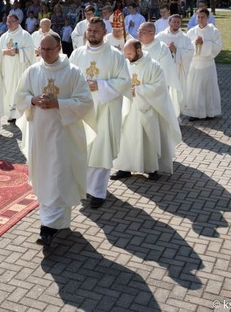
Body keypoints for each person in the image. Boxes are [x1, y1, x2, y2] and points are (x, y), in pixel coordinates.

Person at [15, 32, 93, 246]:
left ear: (59, 48)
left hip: (63, 135)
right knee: (45, 177)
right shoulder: (32, 71)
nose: (45, 53)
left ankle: (47, 228)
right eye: (42, 49)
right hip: (40, 135)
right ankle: (58, 222)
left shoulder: (73, 72)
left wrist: (59, 103)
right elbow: (20, 96)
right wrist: (32, 100)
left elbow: (85, 102)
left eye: (49, 49)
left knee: (59, 176)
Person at [70, 18, 130, 209]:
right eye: (90, 30)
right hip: (82, 110)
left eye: (96, 30)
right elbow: (68, 77)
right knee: (82, 149)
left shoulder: (115, 55)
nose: (92, 33)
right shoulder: (77, 54)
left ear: (105, 32)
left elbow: (124, 81)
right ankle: (83, 186)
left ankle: (98, 191)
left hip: (105, 111)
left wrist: (101, 85)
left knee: (100, 150)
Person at [111, 40, 182, 180]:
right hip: (128, 109)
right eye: (125, 54)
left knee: (149, 138)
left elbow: (160, 87)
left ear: (138, 50)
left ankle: (151, 168)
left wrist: (138, 90)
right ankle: (125, 168)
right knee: (127, 138)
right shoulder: (125, 64)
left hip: (147, 109)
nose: (127, 57)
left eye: (130, 53)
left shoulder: (153, 66)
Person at [184, 9, 222, 120]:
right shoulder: (192, 32)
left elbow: (217, 47)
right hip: (195, 63)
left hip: (208, 63)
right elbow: (187, 47)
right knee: (194, 88)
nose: (200, 19)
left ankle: (210, 111)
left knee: (208, 87)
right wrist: (195, 43)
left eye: (203, 17)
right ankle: (194, 112)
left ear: (207, 17)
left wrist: (204, 44)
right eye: (198, 17)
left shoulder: (214, 31)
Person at [138, 22, 183, 117]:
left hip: (156, 91)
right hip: (139, 90)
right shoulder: (138, 47)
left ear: (152, 33)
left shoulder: (162, 48)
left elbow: (165, 72)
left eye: (142, 31)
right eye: (139, 31)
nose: (139, 34)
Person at [0, 13, 36, 124]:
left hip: (20, 68)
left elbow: (31, 51)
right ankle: (11, 114)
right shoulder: (3, 36)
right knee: (9, 90)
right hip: (7, 68)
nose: (9, 24)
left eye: (11, 21)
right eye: (7, 22)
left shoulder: (25, 35)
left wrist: (18, 51)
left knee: (19, 90)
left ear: (17, 22)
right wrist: (4, 52)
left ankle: (20, 115)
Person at [156, 15, 194, 104]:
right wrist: (167, 49)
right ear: (169, 23)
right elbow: (154, 50)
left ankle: (177, 111)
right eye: (174, 22)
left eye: (178, 22)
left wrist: (176, 50)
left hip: (178, 68)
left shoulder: (185, 38)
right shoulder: (160, 36)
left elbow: (190, 52)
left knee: (176, 92)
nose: (176, 24)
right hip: (164, 68)